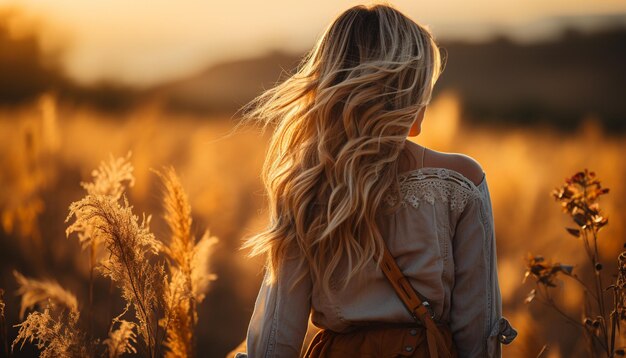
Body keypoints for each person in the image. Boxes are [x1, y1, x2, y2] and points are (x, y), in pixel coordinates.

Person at [237, 3, 517, 357]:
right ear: (408, 94)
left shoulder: (306, 186)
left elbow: (276, 337)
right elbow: (479, 331)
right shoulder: (460, 183)